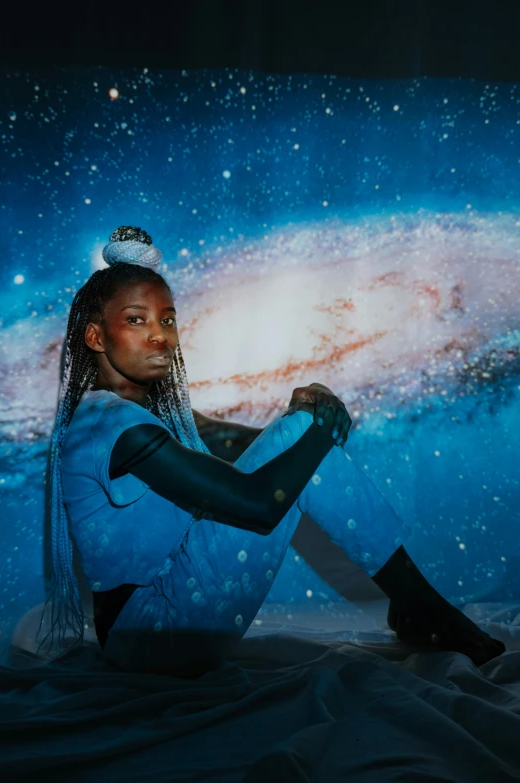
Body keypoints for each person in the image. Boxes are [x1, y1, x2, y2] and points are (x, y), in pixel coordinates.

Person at [36, 225, 505, 676]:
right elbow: (260, 507)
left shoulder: (134, 414)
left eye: (168, 319)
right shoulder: (114, 425)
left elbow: (229, 441)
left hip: (149, 632)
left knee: (299, 438)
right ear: (96, 336)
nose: (160, 335)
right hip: (155, 630)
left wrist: (297, 418)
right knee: (302, 444)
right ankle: (420, 606)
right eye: (136, 320)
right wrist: (316, 428)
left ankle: (416, 604)